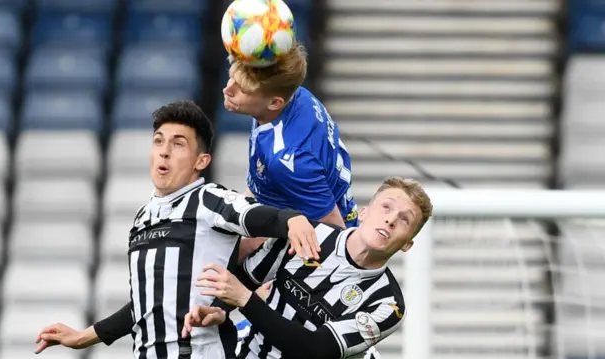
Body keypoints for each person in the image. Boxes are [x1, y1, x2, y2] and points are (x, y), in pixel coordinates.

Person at [33, 100, 321, 359]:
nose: (165, 152)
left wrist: (290, 219)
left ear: (201, 161)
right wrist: (85, 336)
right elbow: (147, 303)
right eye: (159, 142)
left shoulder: (208, 198)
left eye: (178, 144)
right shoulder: (142, 216)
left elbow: (254, 215)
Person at [185, 177, 433, 359]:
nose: (390, 220)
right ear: (364, 212)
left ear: (408, 245)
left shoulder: (388, 305)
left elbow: (317, 350)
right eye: (386, 207)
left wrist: (245, 300)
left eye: (404, 219)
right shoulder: (307, 234)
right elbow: (246, 279)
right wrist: (218, 309)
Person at [223, 43, 358, 234]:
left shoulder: (288, 158)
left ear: (274, 103)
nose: (227, 89)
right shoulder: (296, 95)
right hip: (280, 202)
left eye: (242, 90)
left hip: (300, 234)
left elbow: (334, 229)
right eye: (231, 78)